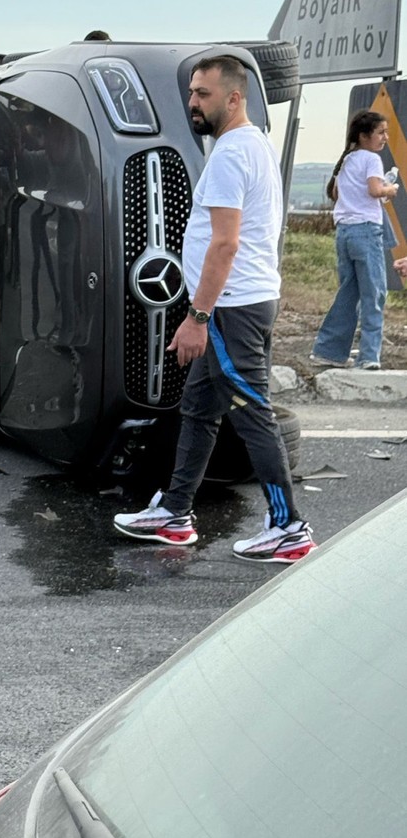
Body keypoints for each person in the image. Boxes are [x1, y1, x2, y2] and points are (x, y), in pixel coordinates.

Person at [115, 55, 316, 564]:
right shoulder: (251, 145)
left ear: (234, 97)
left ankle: (289, 526)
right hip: (244, 301)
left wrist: (197, 318)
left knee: (252, 414)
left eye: (202, 94)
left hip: (231, 308)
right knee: (200, 410)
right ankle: (175, 513)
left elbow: (224, 244)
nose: (192, 103)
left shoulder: (230, 153)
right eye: (191, 93)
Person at [309, 109, 399, 371]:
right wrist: (389, 189)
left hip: (345, 232)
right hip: (366, 231)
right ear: (364, 136)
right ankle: (370, 355)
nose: (384, 138)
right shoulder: (371, 160)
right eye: (380, 132)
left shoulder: (346, 160)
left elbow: (338, 193)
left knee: (349, 293)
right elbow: (374, 191)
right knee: (374, 293)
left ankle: (329, 350)